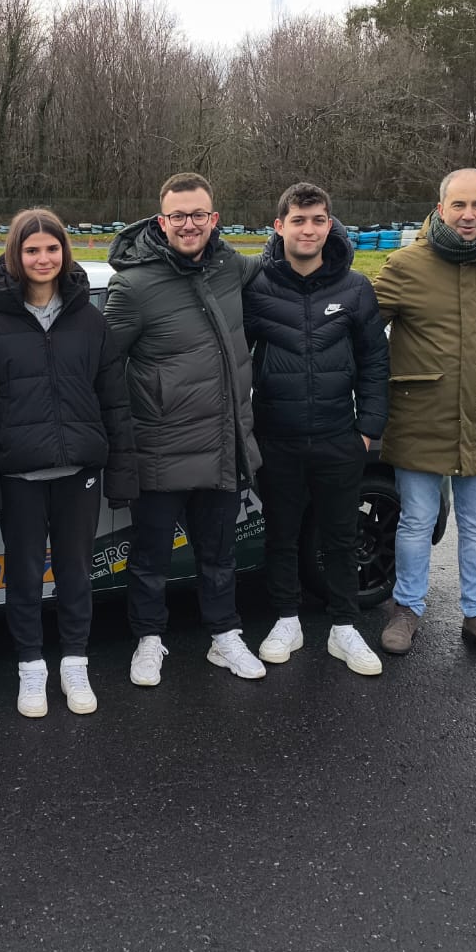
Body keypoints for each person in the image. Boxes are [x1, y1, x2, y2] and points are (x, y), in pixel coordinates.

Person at [0, 209, 137, 717]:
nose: (43, 258)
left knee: (77, 574)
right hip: (19, 477)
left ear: (65, 253)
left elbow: (114, 402)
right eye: (32, 250)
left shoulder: (89, 320)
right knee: (22, 576)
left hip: (78, 474)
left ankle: (75, 665)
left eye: (52, 248)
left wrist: (121, 474)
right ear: (15, 256)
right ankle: (31, 669)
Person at [104, 172, 265, 685]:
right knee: (149, 558)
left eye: (199, 215)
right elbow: (104, 366)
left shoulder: (231, 266)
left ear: (214, 219)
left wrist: (327, 243)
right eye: (179, 216)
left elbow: (285, 267)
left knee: (218, 555)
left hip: (221, 445)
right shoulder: (132, 285)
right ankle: (149, 641)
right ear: (161, 221)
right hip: (159, 448)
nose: (189, 224)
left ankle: (224, 636)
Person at [372, 168, 476, 661]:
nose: (469, 216)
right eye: (459, 206)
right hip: (420, 416)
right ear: (440, 208)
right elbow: (363, 333)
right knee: (416, 521)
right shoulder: (405, 265)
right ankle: (406, 609)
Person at [243, 183, 390, 674]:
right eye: (299, 220)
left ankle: (345, 629)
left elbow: (374, 361)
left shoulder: (354, 288)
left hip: (338, 437)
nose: (309, 229)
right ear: (280, 225)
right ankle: (287, 620)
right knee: (281, 536)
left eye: (318, 220)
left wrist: (367, 430)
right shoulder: (256, 287)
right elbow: (233, 359)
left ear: (330, 225)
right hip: (276, 439)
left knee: (341, 537)